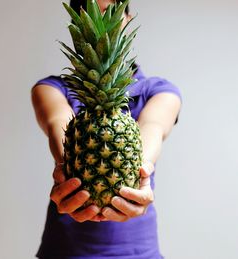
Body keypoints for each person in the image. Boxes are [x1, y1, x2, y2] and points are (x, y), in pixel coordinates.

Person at [31, 0, 182, 258]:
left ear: (128, 18)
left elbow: (152, 126)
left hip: (138, 251)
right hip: (63, 250)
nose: (102, 28)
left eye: (110, 13)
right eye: (90, 17)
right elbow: (58, 121)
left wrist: (140, 169)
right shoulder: (51, 88)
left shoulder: (159, 90)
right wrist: (64, 163)